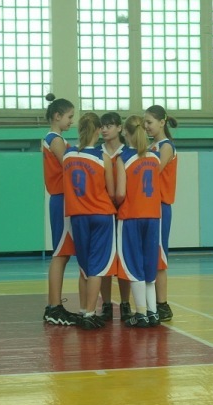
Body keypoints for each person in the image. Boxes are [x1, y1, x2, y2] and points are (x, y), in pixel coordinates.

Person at [63, 112, 117, 330]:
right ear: (98, 130)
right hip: (101, 215)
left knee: (84, 267)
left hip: (78, 215)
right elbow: (111, 191)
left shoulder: (68, 155)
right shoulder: (103, 158)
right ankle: (90, 313)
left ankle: (83, 309)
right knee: (97, 267)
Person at [115, 115, 162, 327]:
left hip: (131, 217)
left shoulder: (123, 158)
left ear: (126, 132)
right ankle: (153, 312)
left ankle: (140, 313)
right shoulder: (155, 158)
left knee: (133, 265)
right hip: (153, 216)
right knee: (149, 265)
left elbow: (120, 193)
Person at [41, 93, 80, 326]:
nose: (71, 121)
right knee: (60, 253)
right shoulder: (55, 139)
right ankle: (54, 306)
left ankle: (55, 305)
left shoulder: (56, 139)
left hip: (63, 199)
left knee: (62, 253)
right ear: (57, 116)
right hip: (62, 199)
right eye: (69, 117)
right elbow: (72, 166)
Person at [144, 105, 178, 322]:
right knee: (150, 254)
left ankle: (163, 304)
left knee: (159, 256)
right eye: (144, 123)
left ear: (162, 122)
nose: (146, 126)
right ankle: (150, 303)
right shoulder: (152, 146)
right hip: (148, 207)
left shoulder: (165, 147)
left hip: (160, 207)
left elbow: (152, 172)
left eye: (149, 122)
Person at [99, 112, 132, 322]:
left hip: (124, 212)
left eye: (109, 125)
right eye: (102, 126)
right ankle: (106, 303)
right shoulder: (96, 152)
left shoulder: (127, 153)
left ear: (120, 128)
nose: (104, 129)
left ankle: (125, 303)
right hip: (102, 212)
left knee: (123, 259)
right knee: (104, 260)